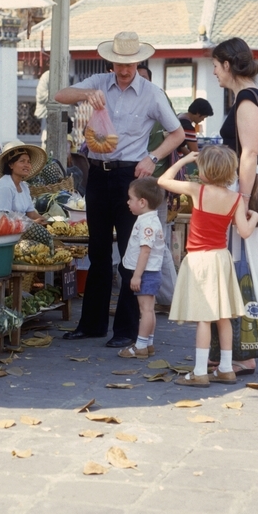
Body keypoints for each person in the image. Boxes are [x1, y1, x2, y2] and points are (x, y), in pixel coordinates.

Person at [54, 31, 184, 349]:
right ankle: (92, 324)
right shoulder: (99, 82)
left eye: (130, 64)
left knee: (130, 252)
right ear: (110, 62)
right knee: (98, 251)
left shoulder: (151, 93)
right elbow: (60, 95)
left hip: (131, 176)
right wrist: (87, 95)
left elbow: (177, 133)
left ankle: (126, 329)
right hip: (98, 174)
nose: (124, 70)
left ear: (139, 62)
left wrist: (153, 158)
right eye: (119, 64)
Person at [159, 145, 258, 386]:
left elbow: (163, 181)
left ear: (204, 170)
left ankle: (200, 372)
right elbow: (245, 231)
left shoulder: (197, 190)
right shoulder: (236, 199)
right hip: (221, 259)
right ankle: (226, 368)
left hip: (199, 260)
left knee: (204, 318)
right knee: (224, 316)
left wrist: (183, 160)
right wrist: (255, 217)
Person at [213, 36, 258, 373]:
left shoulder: (247, 100)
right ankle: (229, 351)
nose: (214, 72)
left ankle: (243, 354)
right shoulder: (249, 97)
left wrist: (239, 198)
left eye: (216, 66)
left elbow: (249, 153)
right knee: (233, 268)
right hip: (238, 190)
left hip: (240, 192)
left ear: (228, 65)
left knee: (238, 268)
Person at [135, 65, 179, 308]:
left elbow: (175, 136)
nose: (138, 82)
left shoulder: (157, 100)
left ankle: (172, 297)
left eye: (143, 77)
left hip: (155, 183)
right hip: (137, 183)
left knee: (156, 240)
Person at [116, 177, 167, 359]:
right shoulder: (149, 219)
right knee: (149, 309)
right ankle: (148, 342)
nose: (128, 202)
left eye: (131, 199)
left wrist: (137, 276)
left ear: (142, 202)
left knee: (145, 311)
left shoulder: (147, 224)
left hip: (146, 273)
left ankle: (140, 345)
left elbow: (145, 251)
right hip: (151, 272)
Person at [0, 140, 47, 222]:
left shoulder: (24, 186)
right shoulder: (5, 187)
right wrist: (32, 223)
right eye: (22, 161)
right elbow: (3, 218)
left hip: (20, 226)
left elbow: (31, 213)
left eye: (28, 162)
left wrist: (48, 221)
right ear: (11, 165)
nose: (27, 165)